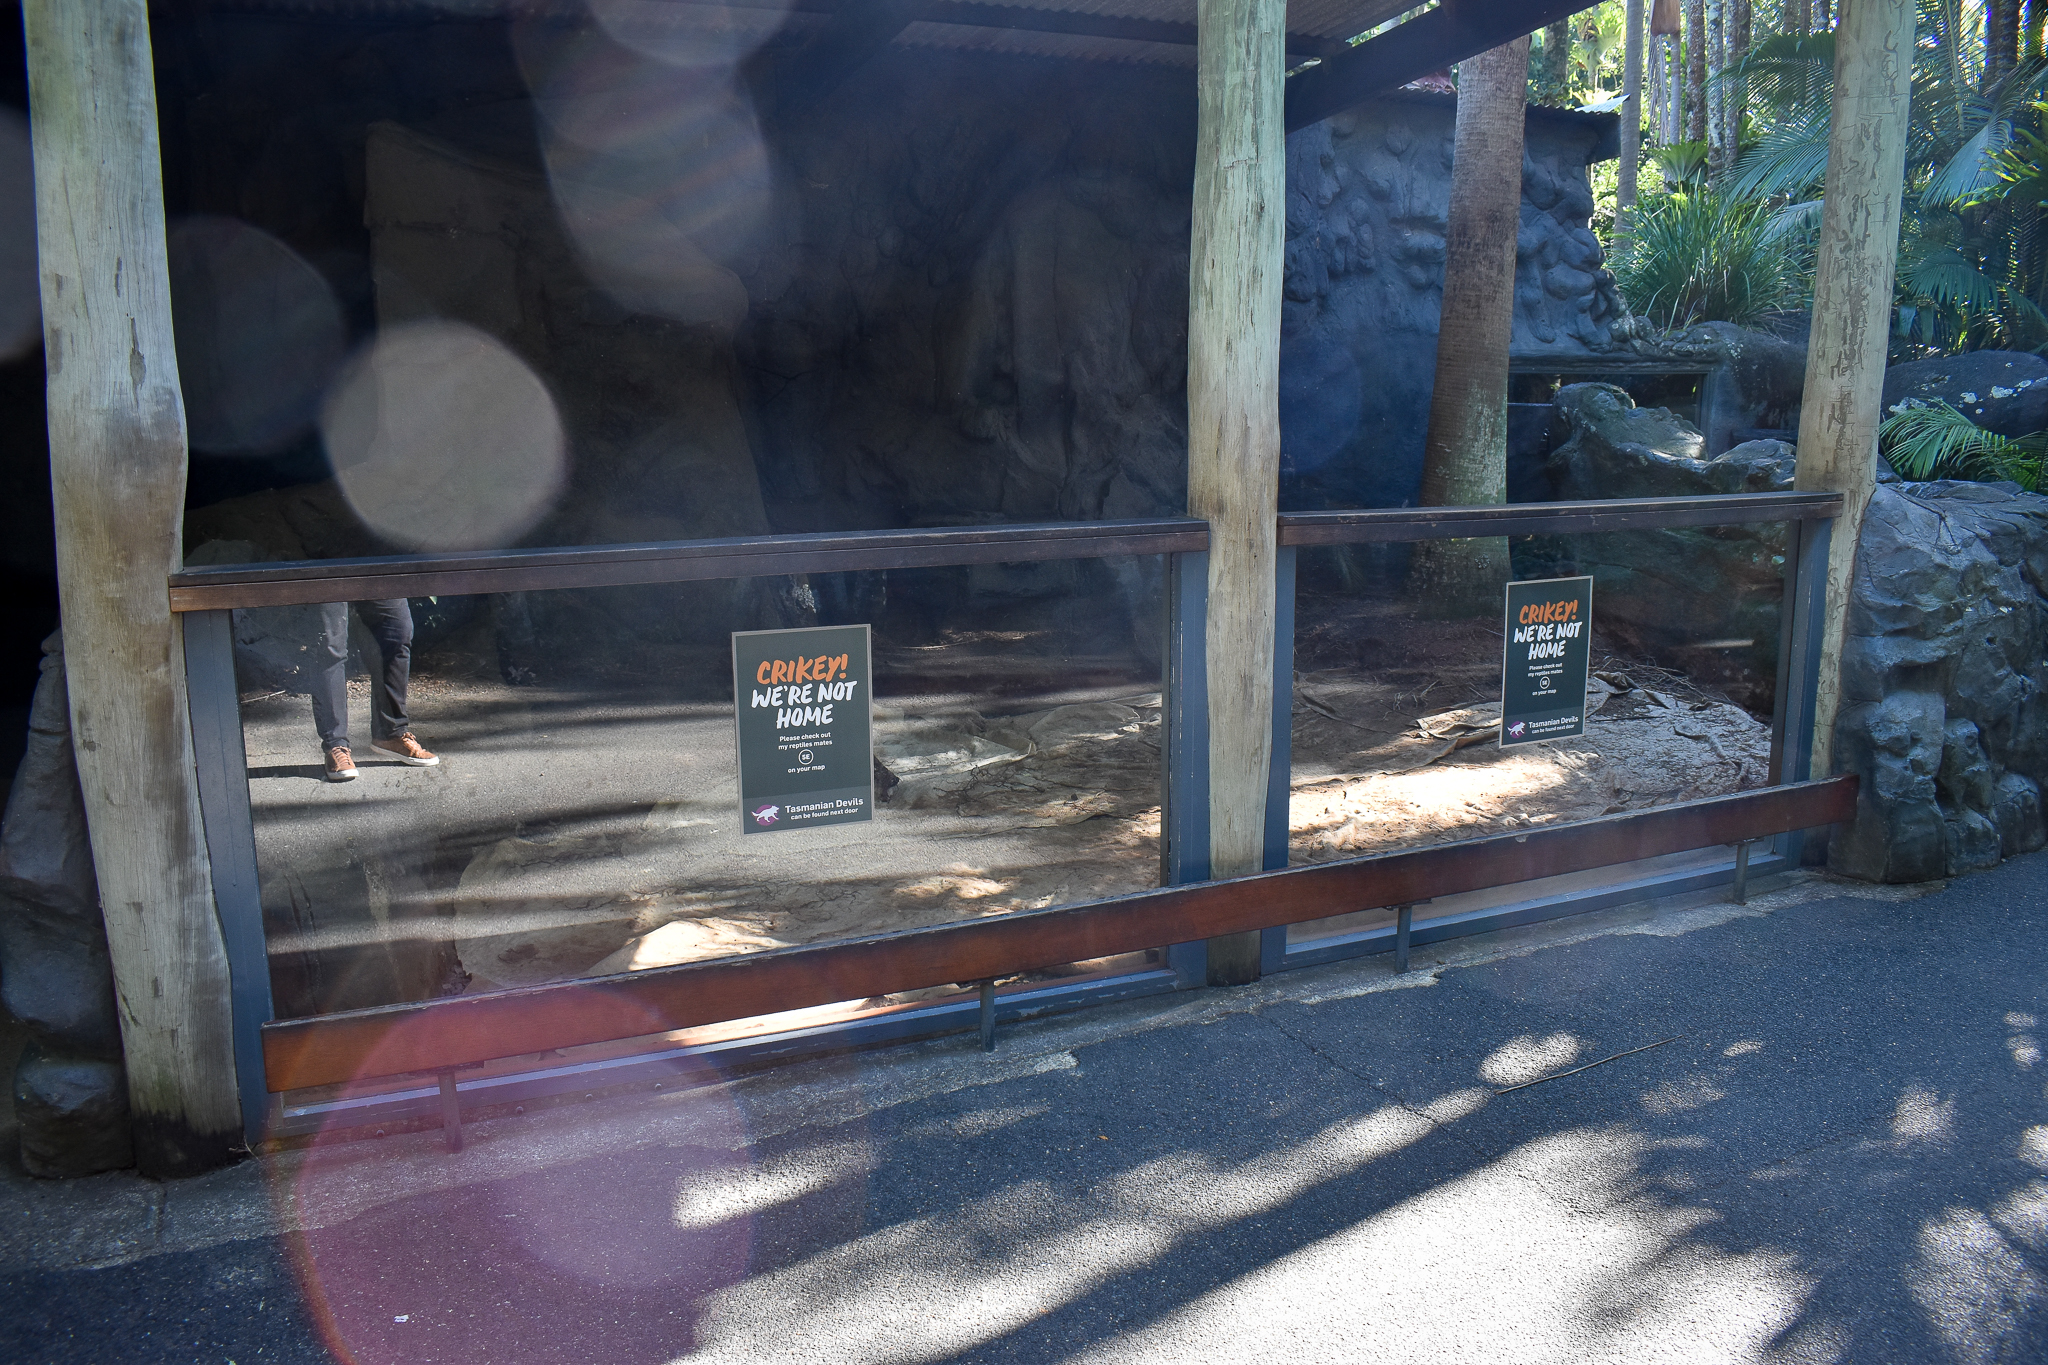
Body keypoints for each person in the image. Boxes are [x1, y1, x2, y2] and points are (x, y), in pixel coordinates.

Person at [313, 599, 438, 781]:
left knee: (398, 632)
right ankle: (336, 745)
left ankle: (391, 734)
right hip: (327, 580)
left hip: (375, 579)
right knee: (331, 646)